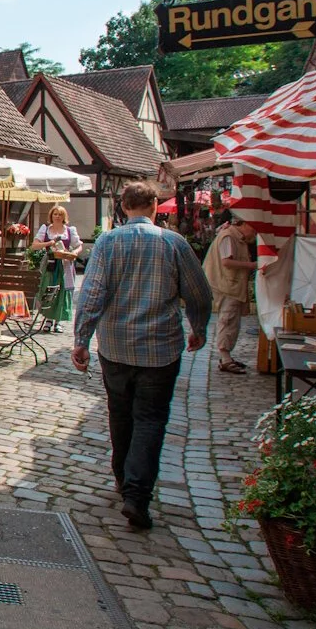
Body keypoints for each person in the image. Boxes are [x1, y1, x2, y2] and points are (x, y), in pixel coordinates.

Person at [71, 180, 213, 532]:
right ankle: (137, 494)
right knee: (150, 420)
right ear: (153, 207)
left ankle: (123, 481)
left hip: (116, 347)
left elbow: (92, 294)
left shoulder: (107, 243)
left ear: (123, 207)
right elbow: (199, 292)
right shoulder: (173, 243)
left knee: (120, 414)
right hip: (160, 348)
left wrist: (81, 339)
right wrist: (198, 327)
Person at [204, 215, 259, 374]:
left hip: (230, 285)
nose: (254, 235)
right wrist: (252, 265)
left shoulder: (235, 236)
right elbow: (226, 262)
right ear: (246, 224)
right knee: (227, 319)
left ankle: (226, 357)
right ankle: (225, 357)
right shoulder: (229, 236)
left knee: (231, 320)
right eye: (254, 230)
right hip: (226, 285)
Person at [34, 205, 83, 327]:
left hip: (65, 264)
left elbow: (79, 246)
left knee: (62, 290)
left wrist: (74, 253)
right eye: (55, 214)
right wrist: (49, 243)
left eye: (60, 214)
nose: (57, 216)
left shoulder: (70, 230)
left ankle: (58, 321)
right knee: (48, 288)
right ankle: (48, 318)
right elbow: (34, 245)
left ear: (64, 217)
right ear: (51, 216)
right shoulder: (45, 229)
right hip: (50, 263)